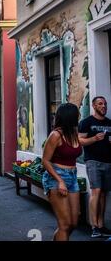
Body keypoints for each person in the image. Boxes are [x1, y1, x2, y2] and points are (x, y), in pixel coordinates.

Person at [42, 103, 82, 241]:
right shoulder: (55, 135)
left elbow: (84, 142)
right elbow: (45, 161)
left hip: (72, 177)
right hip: (56, 178)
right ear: (70, 117)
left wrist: (96, 139)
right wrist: (60, 181)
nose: (79, 116)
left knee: (73, 222)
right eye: (77, 114)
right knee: (64, 225)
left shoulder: (73, 133)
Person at [78, 96, 111, 238]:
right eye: (100, 104)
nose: (103, 106)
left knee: (103, 193)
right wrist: (94, 139)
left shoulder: (110, 123)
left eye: (105, 104)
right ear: (94, 106)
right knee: (96, 191)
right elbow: (80, 140)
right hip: (93, 161)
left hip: (108, 162)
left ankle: (101, 225)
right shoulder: (86, 122)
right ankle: (94, 226)